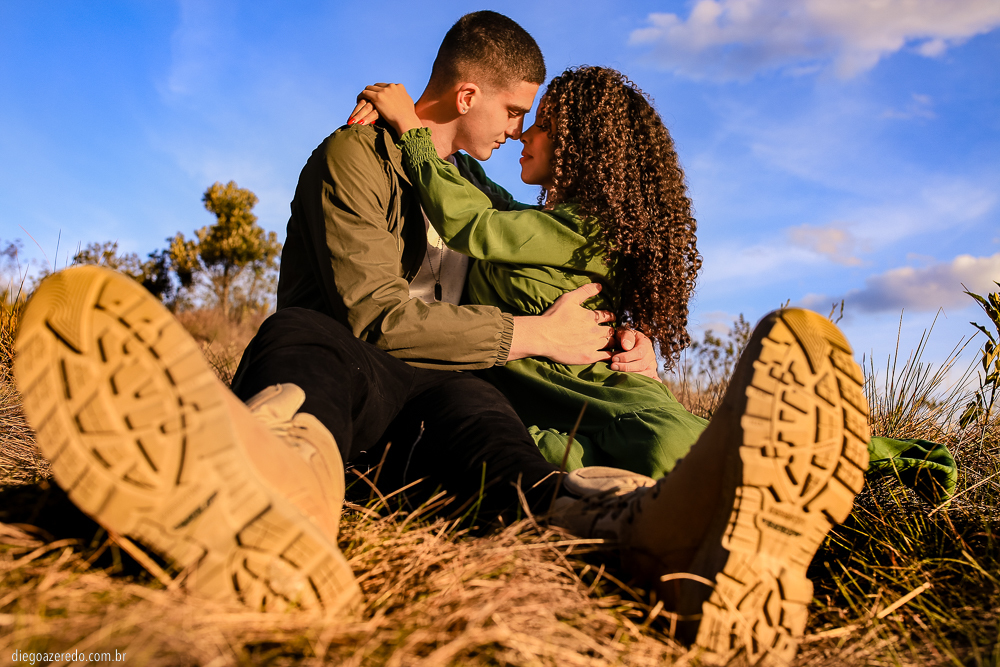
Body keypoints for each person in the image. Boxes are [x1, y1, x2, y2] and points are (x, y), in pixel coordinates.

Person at [11, 11, 877, 665]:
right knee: (304, 337)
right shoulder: (356, 157)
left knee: (496, 433)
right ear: (468, 96)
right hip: (346, 383)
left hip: (438, 399)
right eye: (513, 110)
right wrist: (531, 333)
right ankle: (268, 491)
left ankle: (643, 536)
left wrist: (626, 336)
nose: (518, 130)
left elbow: (528, 249)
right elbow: (376, 318)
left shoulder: (469, 183)